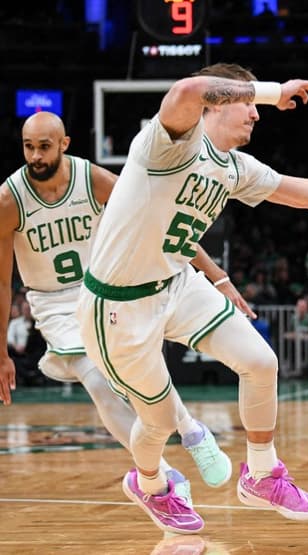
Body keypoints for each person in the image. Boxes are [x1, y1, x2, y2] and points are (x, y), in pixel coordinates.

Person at [74, 63, 308, 534]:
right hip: (118, 305)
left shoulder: (235, 168)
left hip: (175, 283)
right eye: (246, 105)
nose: (256, 114)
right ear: (216, 104)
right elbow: (188, 87)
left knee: (261, 361)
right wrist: (274, 90)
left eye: (256, 105)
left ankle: (261, 474)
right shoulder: (168, 144)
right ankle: (149, 484)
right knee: (158, 421)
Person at [0, 111, 243, 506]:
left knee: (135, 375)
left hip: (105, 287)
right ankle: (163, 475)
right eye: (28, 147)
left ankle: (191, 430)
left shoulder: (91, 179)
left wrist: (215, 273)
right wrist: (1, 352)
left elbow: (158, 218)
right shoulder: (9, 199)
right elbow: (1, 281)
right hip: (54, 304)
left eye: (44, 147)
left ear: (64, 144)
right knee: (98, 383)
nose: (35, 156)